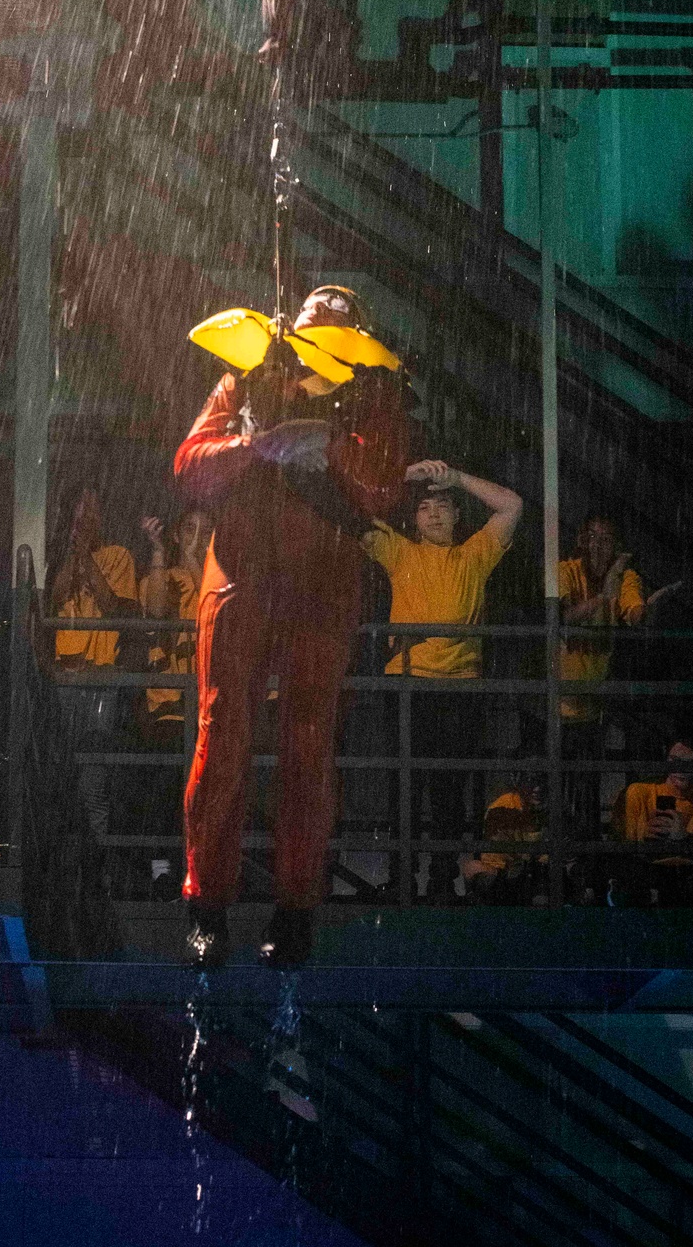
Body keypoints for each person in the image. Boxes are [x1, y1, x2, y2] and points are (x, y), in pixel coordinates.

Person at [175, 284, 415, 967]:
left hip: (321, 582)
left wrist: (330, 442)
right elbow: (189, 465)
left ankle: (295, 907)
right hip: (240, 575)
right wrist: (253, 443)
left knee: (308, 744)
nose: (317, 344)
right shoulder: (248, 381)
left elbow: (383, 486)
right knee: (222, 734)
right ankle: (206, 905)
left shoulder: (373, 399)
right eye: (310, 330)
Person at [362, 461, 522, 900]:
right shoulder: (400, 552)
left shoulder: (474, 554)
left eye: (443, 506)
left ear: (456, 515)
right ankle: (401, 879)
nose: (433, 513)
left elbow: (512, 505)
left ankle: (440, 880)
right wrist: (402, 477)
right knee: (404, 787)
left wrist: (458, 478)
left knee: (450, 788)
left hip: (460, 686)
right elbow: (354, 511)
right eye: (424, 507)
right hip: (407, 685)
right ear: (413, 520)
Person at [559, 515, 681, 837]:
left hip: (597, 695)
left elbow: (634, 610)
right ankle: (572, 849)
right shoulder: (566, 571)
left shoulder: (626, 576)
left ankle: (616, 842)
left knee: (596, 774)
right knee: (565, 781)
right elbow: (564, 617)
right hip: (562, 696)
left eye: (607, 538)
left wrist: (648, 608)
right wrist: (603, 596)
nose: (599, 544)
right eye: (593, 537)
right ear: (581, 542)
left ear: (616, 545)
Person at [47, 485, 138, 842]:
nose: (84, 517)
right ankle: (66, 858)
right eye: (78, 510)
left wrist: (86, 556)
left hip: (100, 681)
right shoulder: (59, 558)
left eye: (91, 509)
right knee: (62, 773)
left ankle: (97, 861)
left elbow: (115, 608)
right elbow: (55, 601)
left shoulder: (119, 556)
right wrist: (73, 556)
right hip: (65, 680)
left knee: (93, 779)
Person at [136, 509, 212, 897]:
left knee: (204, 794)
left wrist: (197, 561)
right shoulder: (160, 570)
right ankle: (161, 869)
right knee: (164, 790)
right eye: (189, 530)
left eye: (204, 531)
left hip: (206, 708)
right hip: (167, 703)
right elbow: (156, 611)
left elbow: (209, 611)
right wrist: (159, 552)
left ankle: (199, 870)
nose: (196, 537)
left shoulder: (216, 577)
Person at [609, 735, 693, 907]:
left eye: (690, 763)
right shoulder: (638, 792)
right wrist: (643, 835)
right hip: (648, 877)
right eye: (674, 760)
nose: (680, 768)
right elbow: (617, 843)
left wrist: (687, 839)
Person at [462, 777, 548, 905]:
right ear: (519, 784)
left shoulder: (550, 806)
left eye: (541, 781)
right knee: (475, 869)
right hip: (507, 871)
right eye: (531, 782)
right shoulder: (503, 808)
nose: (537, 789)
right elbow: (503, 853)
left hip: (536, 868)